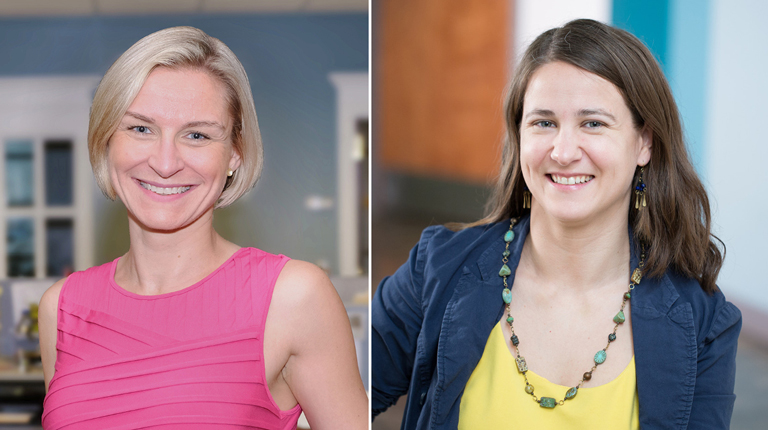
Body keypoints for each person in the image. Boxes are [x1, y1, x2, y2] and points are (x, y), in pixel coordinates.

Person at [372, 18, 741, 429]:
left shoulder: (705, 323)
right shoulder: (436, 268)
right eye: (543, 122)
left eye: (593, 123)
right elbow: (341, 394)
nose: (563, 152)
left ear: (644, 142)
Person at [38, 26, 367, 429]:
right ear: (107, 139)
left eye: (196, 135)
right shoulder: (62, 307)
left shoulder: (294, 298)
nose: (165, 161)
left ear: (234, 154)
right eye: (141, 128)